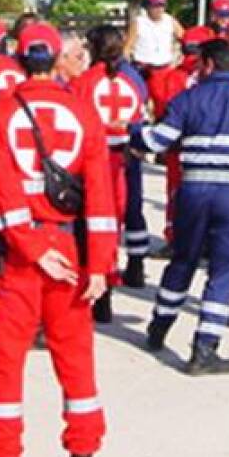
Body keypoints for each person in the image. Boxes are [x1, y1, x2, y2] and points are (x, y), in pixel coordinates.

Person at [0, 22, 113, 457]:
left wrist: (30, 246)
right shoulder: (84, 112)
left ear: (19, 59)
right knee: (77, 363)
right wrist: (100, 265)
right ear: (56, 59)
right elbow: (101, 197)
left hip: (22, 257)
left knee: (5, 363)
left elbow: (3, 192)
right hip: (71, 252)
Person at [135, 38, 229, 374]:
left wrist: (132, 133)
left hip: (193, 190)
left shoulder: (188, 98)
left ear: (208, 64)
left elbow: (157, 141)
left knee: (183, 260)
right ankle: (204, 349)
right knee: (226, 268)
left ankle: (159, 328)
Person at [71, 25, 149, 321]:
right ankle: (111, 287)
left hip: (94, 161)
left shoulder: (84, 82)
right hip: (125, 160)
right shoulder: (133, 81)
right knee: (114, 224)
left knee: (88, 226)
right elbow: (140, 118)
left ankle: (95, 293)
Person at [147, 26, 213, 252]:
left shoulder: (172, 76)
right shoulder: (216, 76)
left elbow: (163, 108)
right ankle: (204, 239)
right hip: (208, 146)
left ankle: (176, 238)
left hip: (179, 146)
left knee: (176, 192)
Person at [124, 0, 183, 78]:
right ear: (147, 7)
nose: (159, 9)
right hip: (143, 69)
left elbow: (184, 38)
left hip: (164, 68)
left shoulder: (170, 21)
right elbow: (127, 47)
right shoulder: (138, 22)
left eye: (162, 5)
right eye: (155, 6)